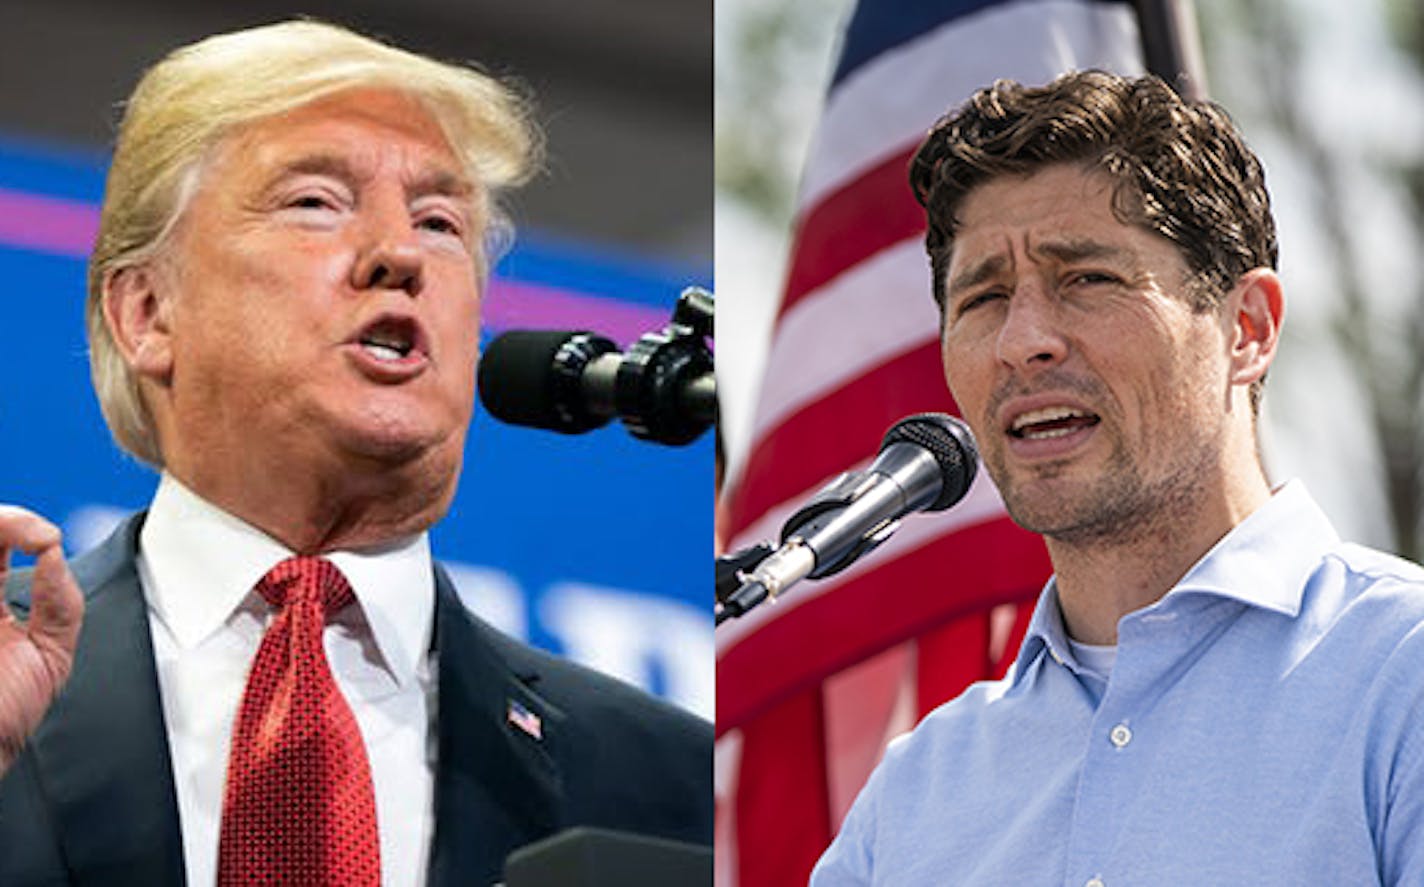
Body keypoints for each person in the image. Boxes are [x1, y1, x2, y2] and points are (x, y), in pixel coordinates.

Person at [0, 20, 710, 886]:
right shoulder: (11, 683)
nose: (400, 255)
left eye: (440, 221)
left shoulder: (667, 779)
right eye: (316, 202)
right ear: (148, 313)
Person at [811, 70, 1424, 885]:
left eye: (1087, 279)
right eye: (984, 297)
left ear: (1247, 327)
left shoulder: (1401, 672)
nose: (1023, 341)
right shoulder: (915, 794)